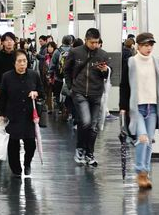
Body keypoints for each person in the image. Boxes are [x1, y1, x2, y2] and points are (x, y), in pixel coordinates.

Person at [120, 33, 159, 189]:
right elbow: (124, 85)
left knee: (149, 140)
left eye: (151, 45)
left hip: (153, 107)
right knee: (142, 138)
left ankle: (145, 173)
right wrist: (123, 107)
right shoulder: (131, 62)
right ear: (138, 46)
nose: (149, 48)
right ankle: (140, 172)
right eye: (146, 45)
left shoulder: (156, 62)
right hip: (137, 108)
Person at [64, 28, 110, 167]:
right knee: (86, 121)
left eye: (97, 42)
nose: (95, 45)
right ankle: (80, 149)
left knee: (93, 126)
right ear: (85, 40)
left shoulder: (103, 54)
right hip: (79, 92)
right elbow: (67, 70)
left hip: (96, 93)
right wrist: (71, 86)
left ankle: (89, 153)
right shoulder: (75, 52)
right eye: (92, 42)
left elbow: (108, 74)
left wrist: (105, 71)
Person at [0, 49, 43, 177]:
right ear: (14, 63)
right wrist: (1, 114)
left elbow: (42, 92)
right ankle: (16, 170)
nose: (22, 64)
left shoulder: (34, 75)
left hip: (29, 116)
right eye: (19, 61)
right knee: (13, 143)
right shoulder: (7, 77)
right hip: (13, 115)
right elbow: (2, 97)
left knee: (31, 144)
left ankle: (27, 163)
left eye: (24, 61)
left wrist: (36, 93)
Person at [51, 35, 74, 119]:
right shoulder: (73, 51)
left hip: (58, 77)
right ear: (71, 42)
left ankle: (61, 108)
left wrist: (50, 74)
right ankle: (69, 110)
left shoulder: (57, 51)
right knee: (69, 95)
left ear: (62, 41)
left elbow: (52, 64)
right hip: (70, 78)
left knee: (57, 94)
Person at [42, 41, 57, 113]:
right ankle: (50, 108)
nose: (49, 48)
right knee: (49, 93)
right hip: (48, 77)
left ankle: (59, 107)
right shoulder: (46, 56)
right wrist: (47, 76)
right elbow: (44, 67)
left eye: (51, 47)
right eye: (48, 47)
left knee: (57, 93)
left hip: (55, 77)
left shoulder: (56, 55)